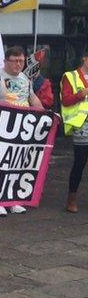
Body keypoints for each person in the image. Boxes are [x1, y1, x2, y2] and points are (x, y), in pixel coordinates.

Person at [0, 46, 44, 217]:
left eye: (21, 61)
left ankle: (12, 198)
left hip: (22, 129)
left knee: (17, 164)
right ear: (5, 61)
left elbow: (33, 99)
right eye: (14, 61)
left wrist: (46, 114)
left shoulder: (25, 78)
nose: (18, 64)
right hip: (0, 129)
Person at [62, 48, 88, 213]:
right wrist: (80, 94)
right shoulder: (70, 76)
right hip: (82, 125)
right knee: (80, 162)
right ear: (85, 59)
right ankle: (71, 198)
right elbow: (65, 100)